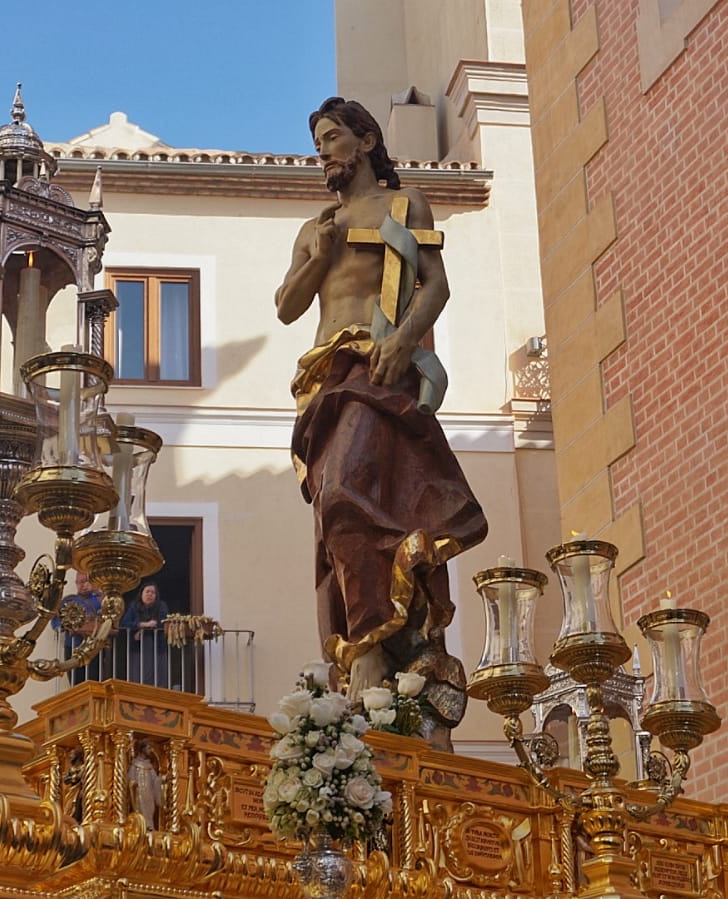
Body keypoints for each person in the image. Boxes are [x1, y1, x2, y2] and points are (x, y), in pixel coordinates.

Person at [275, 97, 487, 748]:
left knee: (353, 499)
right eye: (318, 141)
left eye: (332, 137)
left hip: (381, 370)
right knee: (335, 514)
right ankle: (360, 640)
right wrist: (320, 251)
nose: (323, 151)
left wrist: (403, 342)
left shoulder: (405, 205)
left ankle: (375, 643)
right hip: (326, 378)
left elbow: (434, 284)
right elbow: (288, 306)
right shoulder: (317, 225)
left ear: (365, 141)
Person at [57, 571, 104, 686]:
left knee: (93, 680)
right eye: (79, 582)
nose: (82, 585)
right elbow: (57, 620)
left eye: (85, 581)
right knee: (74, 680)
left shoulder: (99, 600)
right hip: (72, 645)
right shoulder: (69, 601)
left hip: (93, 646)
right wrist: (62, 627)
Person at [120, 582, 169, 687]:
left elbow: (164, 622)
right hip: (138, 649)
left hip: (158, 648)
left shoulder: (161, 606)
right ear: (141, 594)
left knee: (158, 678)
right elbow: (124, 623)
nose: (150, 594)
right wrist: (141, 625)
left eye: (153, 592)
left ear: (156, 596)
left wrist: (145, 629)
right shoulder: (134, 606)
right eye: (147, 591)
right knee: (139, 678)